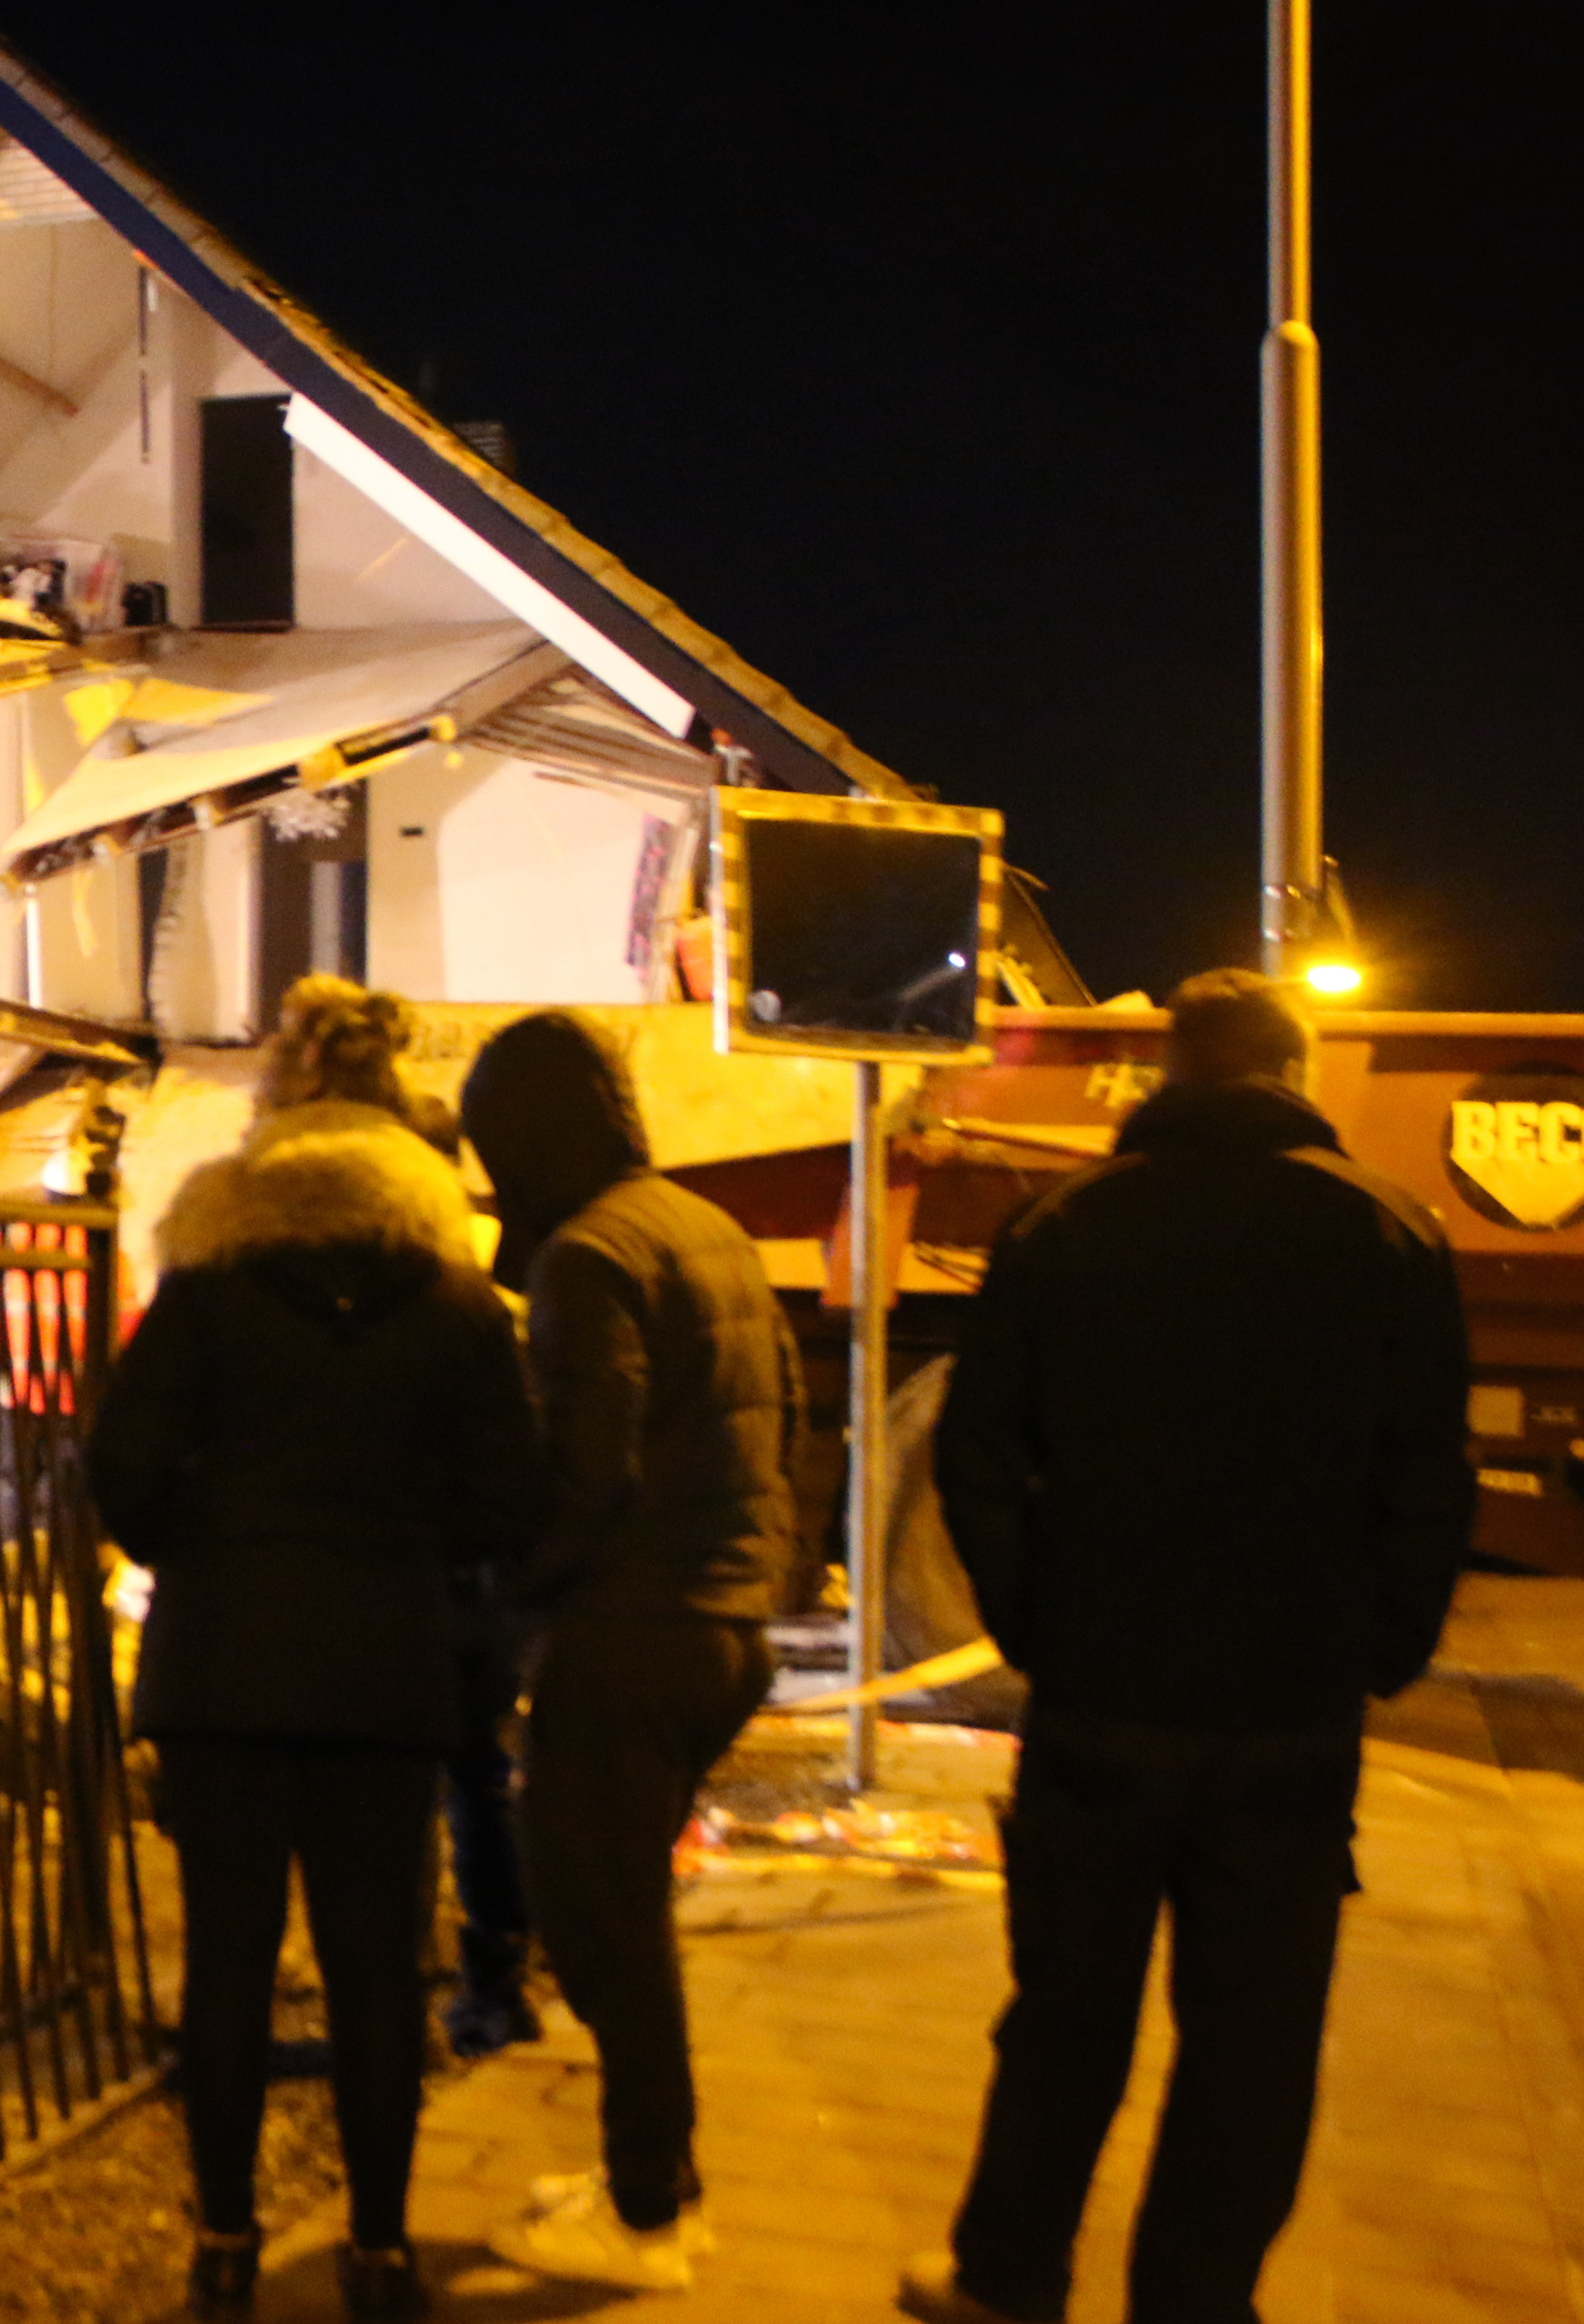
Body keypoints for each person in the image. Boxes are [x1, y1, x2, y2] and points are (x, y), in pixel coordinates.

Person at [901, 973, 1471, 2324]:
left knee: (1061, 2012)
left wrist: (1035, 1620)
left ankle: (1005, 2274)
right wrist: (1376, 1648)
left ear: (1168, 1070)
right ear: (1292, 1070)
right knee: (1252, 2038)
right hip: (1286, 1708)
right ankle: (1194, 2296)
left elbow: (976, 1458)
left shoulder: (1061, 1225)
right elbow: (1425, 1479)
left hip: (1100, 1694)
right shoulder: (1388, 1232)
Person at [97, 1100, 551, 2318]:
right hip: (381, 1675)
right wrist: (404, 1547)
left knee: (228, 1960)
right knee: (373, 1965)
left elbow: (120, 1468)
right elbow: (511, 1497)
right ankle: (379, 2246)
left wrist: (203, 1544)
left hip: (222, 1669)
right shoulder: (454, 1309)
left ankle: (225, 2241)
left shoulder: (207, 1290)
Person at [457, 1009, 803, 2292]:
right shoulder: (694, 1222)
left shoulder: (587, 1257)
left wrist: (509, 1588)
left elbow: (583, 1469)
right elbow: (790, 1411)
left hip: (626, 1629)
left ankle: (647, 2212)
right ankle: (648, 2171)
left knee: (598, 1926)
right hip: (717, 1616)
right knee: (623, 1914)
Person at [177, 975, 541, 2062]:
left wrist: (199, 1555)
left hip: (257, 1623)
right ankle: (460, 1994)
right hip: (417, 1610)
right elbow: (506, 1467)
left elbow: (136, 1453)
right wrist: (457, 1557)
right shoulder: (459, 1276)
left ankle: (231, 2205)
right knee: (444, 1808)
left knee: (244, 1913)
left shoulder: (218, 1264)